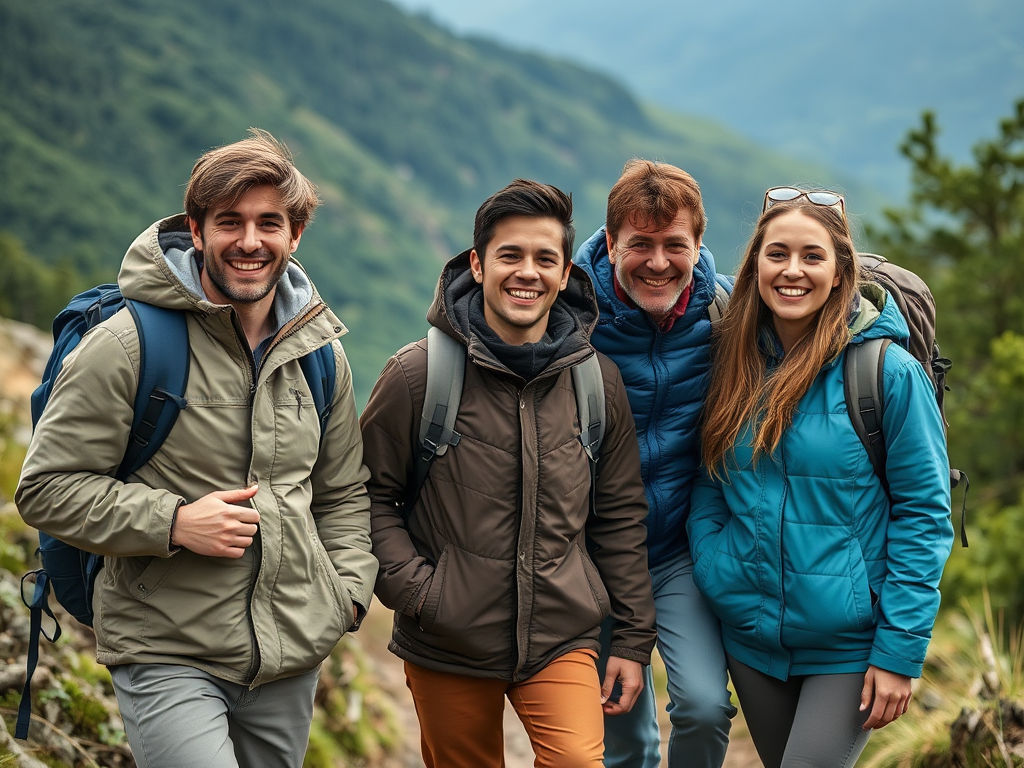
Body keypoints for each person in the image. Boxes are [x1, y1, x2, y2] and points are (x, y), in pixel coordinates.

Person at [16, 129, 378, 768]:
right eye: (229, 222)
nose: (249, 241)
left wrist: (344, 596)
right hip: (166, 648)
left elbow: (343, 491)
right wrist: (175, 522)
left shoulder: (320, 353)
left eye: (270, 223)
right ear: (196, 228)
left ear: (295, 236)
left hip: (288, 655)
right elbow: (45, 488)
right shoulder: (130, 343)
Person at [361, 179, 657, 768]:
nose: (528, 272)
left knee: (576, 761)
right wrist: (421, 593)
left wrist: (629, 639)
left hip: (562, 634)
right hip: (447, 637)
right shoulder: (419, 376)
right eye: (510, 255)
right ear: (477, 263)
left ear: (565, 268)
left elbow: (620, 516)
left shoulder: (595, 381)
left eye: (545, 258)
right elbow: (366, 497)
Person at [687, 187, 954, 768]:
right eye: (777, 253)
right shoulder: (733, 361)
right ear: (755, 263)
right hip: (752, 636)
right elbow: (710, 477)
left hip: (850, 647)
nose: (792, 270)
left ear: (840, 274)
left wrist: (900, 652)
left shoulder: (885, 371)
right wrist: (715, 563)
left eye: (812, 256)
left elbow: (925, 515)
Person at [573, 159, 736, 768]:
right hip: (589, 558)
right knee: (626, 738)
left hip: (676, 552)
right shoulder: (570, 314)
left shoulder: (724, 315)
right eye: (640, 244)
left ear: (698, 244)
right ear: (611, 242)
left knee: (703, 707)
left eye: (676, 245)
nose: (659, 262)